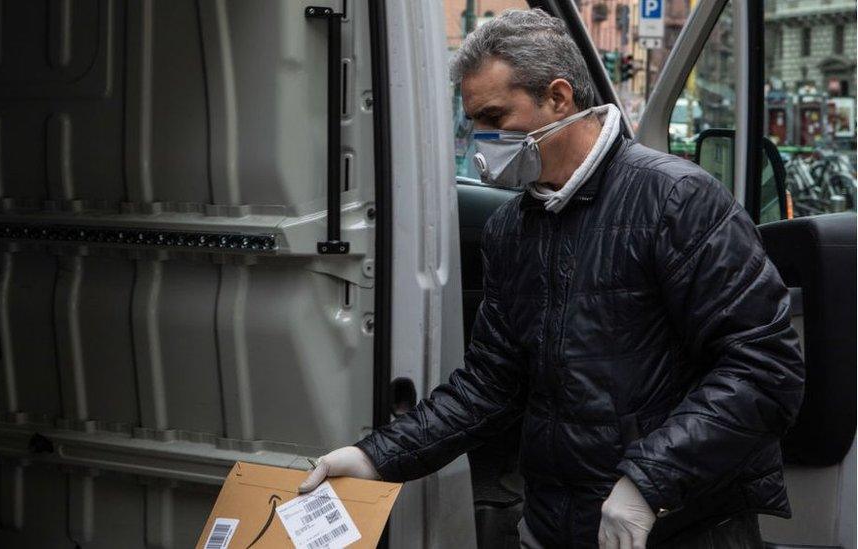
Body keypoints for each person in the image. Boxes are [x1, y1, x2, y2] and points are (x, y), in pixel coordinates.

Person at [299, 9, 804, 548]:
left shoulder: (676, 200)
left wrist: (648, 482)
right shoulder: (512, 228)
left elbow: (763, 369)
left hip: (679, 527)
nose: (482, 140)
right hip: (552, 527)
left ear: (559, 98)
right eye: (473, 122)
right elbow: (491, 384)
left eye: (495, 117)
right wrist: (375, 456)